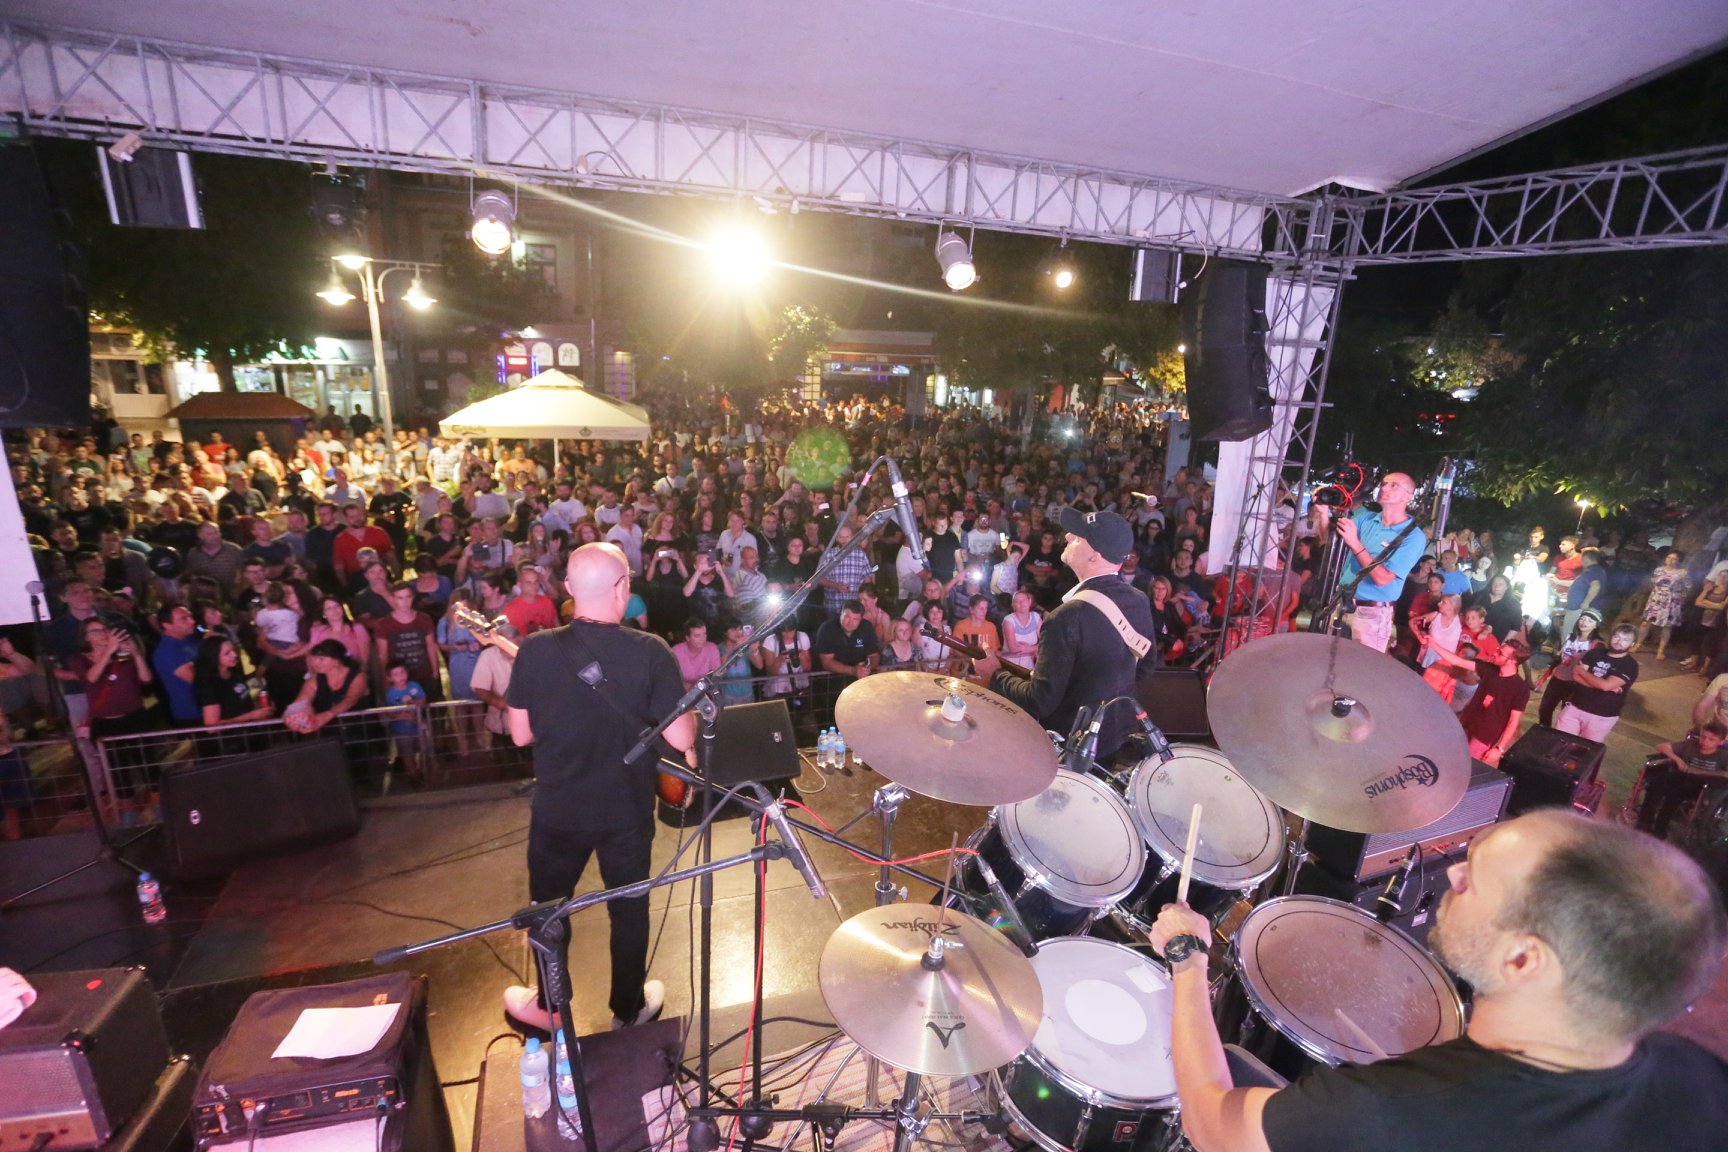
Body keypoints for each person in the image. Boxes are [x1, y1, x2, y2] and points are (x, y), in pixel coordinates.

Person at [1146, 809, 1728, 1152]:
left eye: (1475, 880)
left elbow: (1210, 1123)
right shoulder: (1700, 1078)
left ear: (1522, 961)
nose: (1453, 875)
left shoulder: (1391, 1111)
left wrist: (1188, 959)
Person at [502, 542, 696, 1033]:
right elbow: (681, 738)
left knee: (548, 911)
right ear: (623, 588)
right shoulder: (651, 651)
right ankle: (627, 1010)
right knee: (629, 911)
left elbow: (519, 734)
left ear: (568, 588)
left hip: (558, 811)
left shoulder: (535, 649)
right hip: (626, 811)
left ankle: (550, 1007)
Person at [974, 508, 1157, 759]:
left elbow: (1040, 701)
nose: (1068, 536)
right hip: (1116, 738)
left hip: (1072, 750)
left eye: (1078, 537)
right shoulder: (1139, 600)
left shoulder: (1066, 618)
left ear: (1094, 556)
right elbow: (1145, 668)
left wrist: (994, 675)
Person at [1319, 474, 1428, 653]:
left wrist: (1355, 543)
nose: (1384, 488)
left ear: (1408, 496)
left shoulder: (1413, 536)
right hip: (1342, 603)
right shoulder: (1366, 518)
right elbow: (1329, 542)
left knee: (1363, 667)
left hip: (1372, 614)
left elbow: (1383, 579)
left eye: (1394, 485)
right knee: (1329, 662)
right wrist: (1323, 512)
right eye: (1384, 484)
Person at [1637, 721, 1728, 839]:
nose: (1705, 741)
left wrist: (1700, 772)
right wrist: (1677, 759)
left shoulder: (1723, 755)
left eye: (1711, 739)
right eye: (1703, 736)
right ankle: (1645, 822)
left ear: (1721, 742)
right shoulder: (1691, 744)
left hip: (1702, 786)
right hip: (1680, 777)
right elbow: (1661, 746)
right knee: (1655, 784)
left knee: (1675, 794)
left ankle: (1660, 829)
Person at [1555, 623, 1640, 743]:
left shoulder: (1629, 665)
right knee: (1560, 743)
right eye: (1616, 636)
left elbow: (1605, 685)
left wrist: (1582, 672)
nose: (1619, 641)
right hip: (1574, 707)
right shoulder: (1595, 653)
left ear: (1632, 644)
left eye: (1625, 640)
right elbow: (1575, 676)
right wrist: (1601, 685)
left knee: (1585, 749)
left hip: (1601, 716)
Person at [1638, 549, 1691, 661]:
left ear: (1679, 560)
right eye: (1669, 557)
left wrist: (1682, 598)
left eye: (1674, 559)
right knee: (1645, 623)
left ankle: (1660, 651)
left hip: (1671, 602)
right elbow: (1653, 583)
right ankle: (1637, 644)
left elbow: (1687, 588)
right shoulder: (1658, 570)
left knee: (1667, 627)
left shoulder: (1682, 573)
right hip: (1656, 600)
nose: (1670, 560)